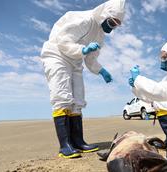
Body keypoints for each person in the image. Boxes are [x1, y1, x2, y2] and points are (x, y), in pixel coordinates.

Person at [40, 0, 126, 159]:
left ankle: (78, 142)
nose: (113, 27)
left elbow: (91, 59)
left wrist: (101, 71)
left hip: (75, 62)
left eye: (117, 25)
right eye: (112, 22)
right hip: (57, 55)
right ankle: (65, 146)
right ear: (104, 15)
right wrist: (83, 49)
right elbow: (63, 40)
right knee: (62, 98)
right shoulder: (84, 19)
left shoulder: (100, 35)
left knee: (78, 100)